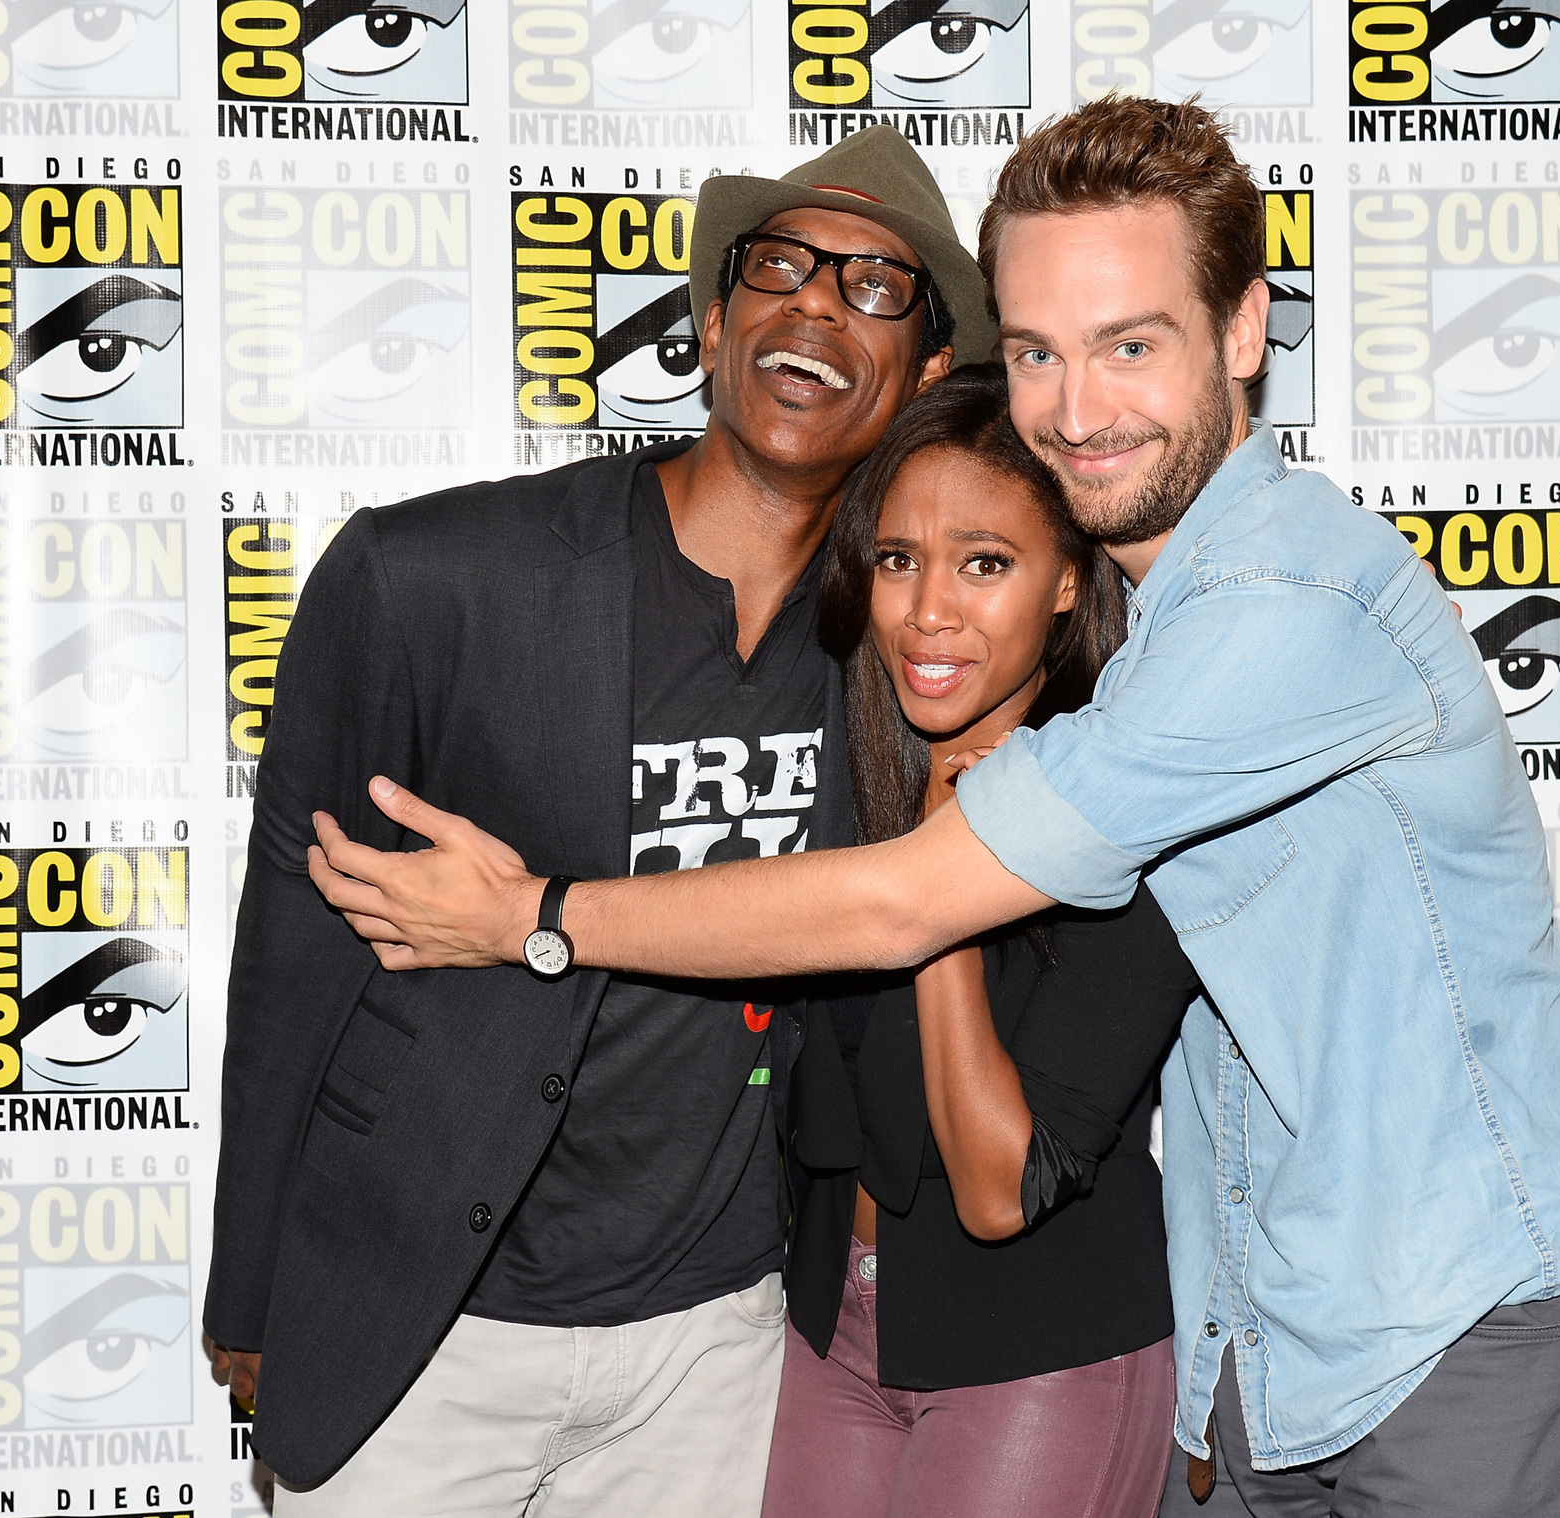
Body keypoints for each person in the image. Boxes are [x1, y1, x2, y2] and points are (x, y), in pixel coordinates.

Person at [308, 97, 1560, 1515]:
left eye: (1132, 344)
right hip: (1259, 1357)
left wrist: (533, 914)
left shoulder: (1283, 605)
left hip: (1460, 1344)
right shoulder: (1144, 628)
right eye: (1038, 354)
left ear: (1246, 331)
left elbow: (906, 903)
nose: (1078, 409)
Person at [202, 125, 992, 1514]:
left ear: (929, 366)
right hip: (421, 1328)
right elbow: (293, 952)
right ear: (710, 318)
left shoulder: (906, 652)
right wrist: (252, 1283)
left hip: (717, 1348)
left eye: (876, 285)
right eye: (783, 267)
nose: (818, 302)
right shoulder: (428, 577)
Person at [764, 365, 1196, 1518]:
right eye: (897, 559)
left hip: (1040, 1346)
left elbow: (1000, 1187)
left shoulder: (1131, 816)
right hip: (831, 1327)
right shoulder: (851, 776)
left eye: (984, 562)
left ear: (1066, 580)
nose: (928, 610)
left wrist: (943, 891)